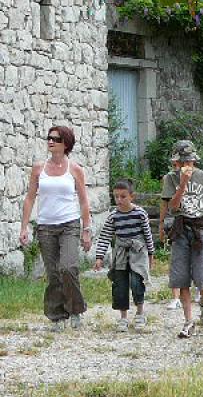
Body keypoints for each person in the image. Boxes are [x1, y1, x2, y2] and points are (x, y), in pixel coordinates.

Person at [20, 125, 91, 331]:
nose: (51, 141)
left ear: (65, 144)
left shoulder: (75, 169)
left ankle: (76, 310)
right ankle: (57, 316)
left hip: (69, 224)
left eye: (56, 139)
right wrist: (24, 227)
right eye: (49, 138)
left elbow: (84, 202)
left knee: (68, 268)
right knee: (53, 274)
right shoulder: (38, 169)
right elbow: (30, 198)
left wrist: (87, 230)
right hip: (45, 227)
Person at [161, 140, 203, 338]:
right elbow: (172, 207)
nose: (186, 166)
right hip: (180, 229)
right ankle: (188, 320)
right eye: (182, 163)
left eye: (189, 162)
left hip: (200, 228)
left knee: (201, 275)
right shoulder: (170, 179)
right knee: (181, 276)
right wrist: (182, 185)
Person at [94, 179, 155, 331]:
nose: (119, 200)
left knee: (136, 281)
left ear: (131, 197)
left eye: (123, 196)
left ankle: (140, 313)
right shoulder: (113, 216)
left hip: (138, 251)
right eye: (116, 197)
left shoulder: (140, 213)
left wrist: (150, 254)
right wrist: (99, 257)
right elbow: (105, 236)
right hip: (121, 252)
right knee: (120, 284)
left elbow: (148, 234)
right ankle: (123, 317)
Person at [159, 158, 199, 310]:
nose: (182, 166)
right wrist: (162, 224)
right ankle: (175, 297)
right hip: (175, 222)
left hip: (194, 222)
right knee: (177, 262)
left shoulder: (199, 177)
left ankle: (198, 290)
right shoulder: (169, 178)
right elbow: (164, 202)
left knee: (196, 258)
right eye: (178, 164)